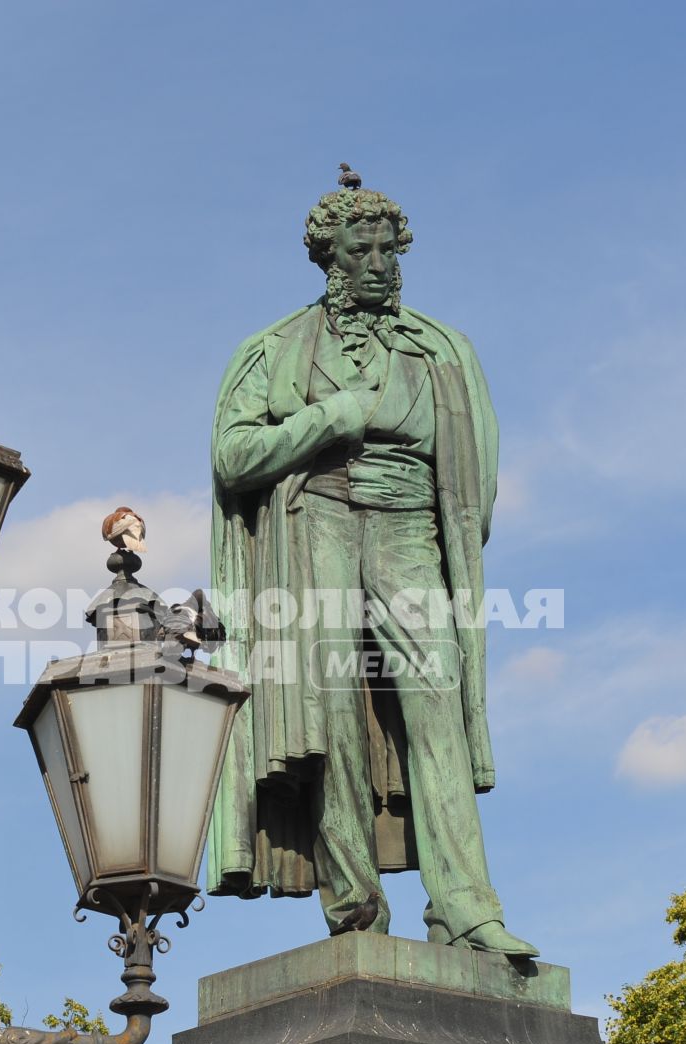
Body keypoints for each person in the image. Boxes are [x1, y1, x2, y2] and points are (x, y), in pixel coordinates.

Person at [204, 173, 536, 958]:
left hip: (408, 525)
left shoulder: (440, 350)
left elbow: (476, 475)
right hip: (313, 521)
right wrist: (328, 419)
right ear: (331, 258)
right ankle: (354, 907)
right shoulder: (275, 349)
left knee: (436, 706)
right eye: (365, 250)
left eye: (392, 249)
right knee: (331, 718)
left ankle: (464, 905)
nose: (383, 263)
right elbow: (233, 454)